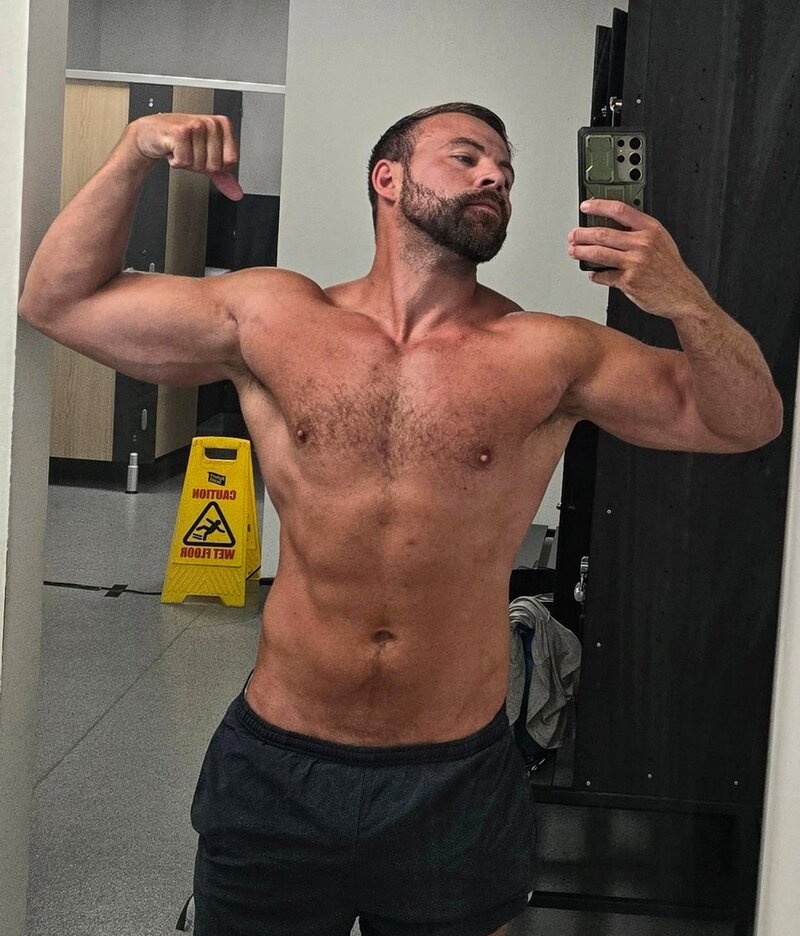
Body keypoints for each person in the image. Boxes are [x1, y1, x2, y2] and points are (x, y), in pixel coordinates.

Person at [19, 102, 782, 936]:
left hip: (454, 778)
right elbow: (58, 301)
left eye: (506, 172)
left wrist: (684, 299)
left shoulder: (549, 352)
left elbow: (746, 420)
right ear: (388, 179)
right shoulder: (274, 316)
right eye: (467, 157)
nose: (495, 177)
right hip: (279, 762)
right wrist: (135, 149)